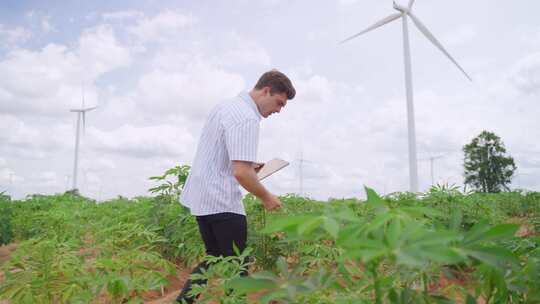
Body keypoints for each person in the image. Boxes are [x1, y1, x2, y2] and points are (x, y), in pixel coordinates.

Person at [176, 69, 296, 303]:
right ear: (266, 90)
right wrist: (267, 197)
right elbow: (241, 173)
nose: (278, 110)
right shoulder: (247, 117)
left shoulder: (225, 106)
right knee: (238, 267)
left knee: (214, 259)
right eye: (279, 103)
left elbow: (228, 157)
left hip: (202, 200)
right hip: (222, 201)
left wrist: (251, 165)